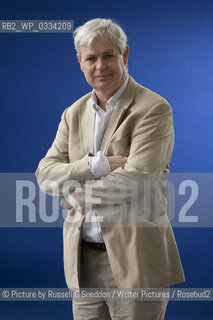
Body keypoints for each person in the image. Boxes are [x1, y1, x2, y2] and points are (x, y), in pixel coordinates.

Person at [35, 18, 185, 320]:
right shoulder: (72, 114)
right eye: (91, 58)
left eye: (108, 55)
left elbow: (137, 180)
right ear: (80, 62)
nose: (99, 65)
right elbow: (45, 174)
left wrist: (73, 196)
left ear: (125, 55)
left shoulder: (153, 109)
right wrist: (97, 164)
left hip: (135, 261)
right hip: (83, 263)